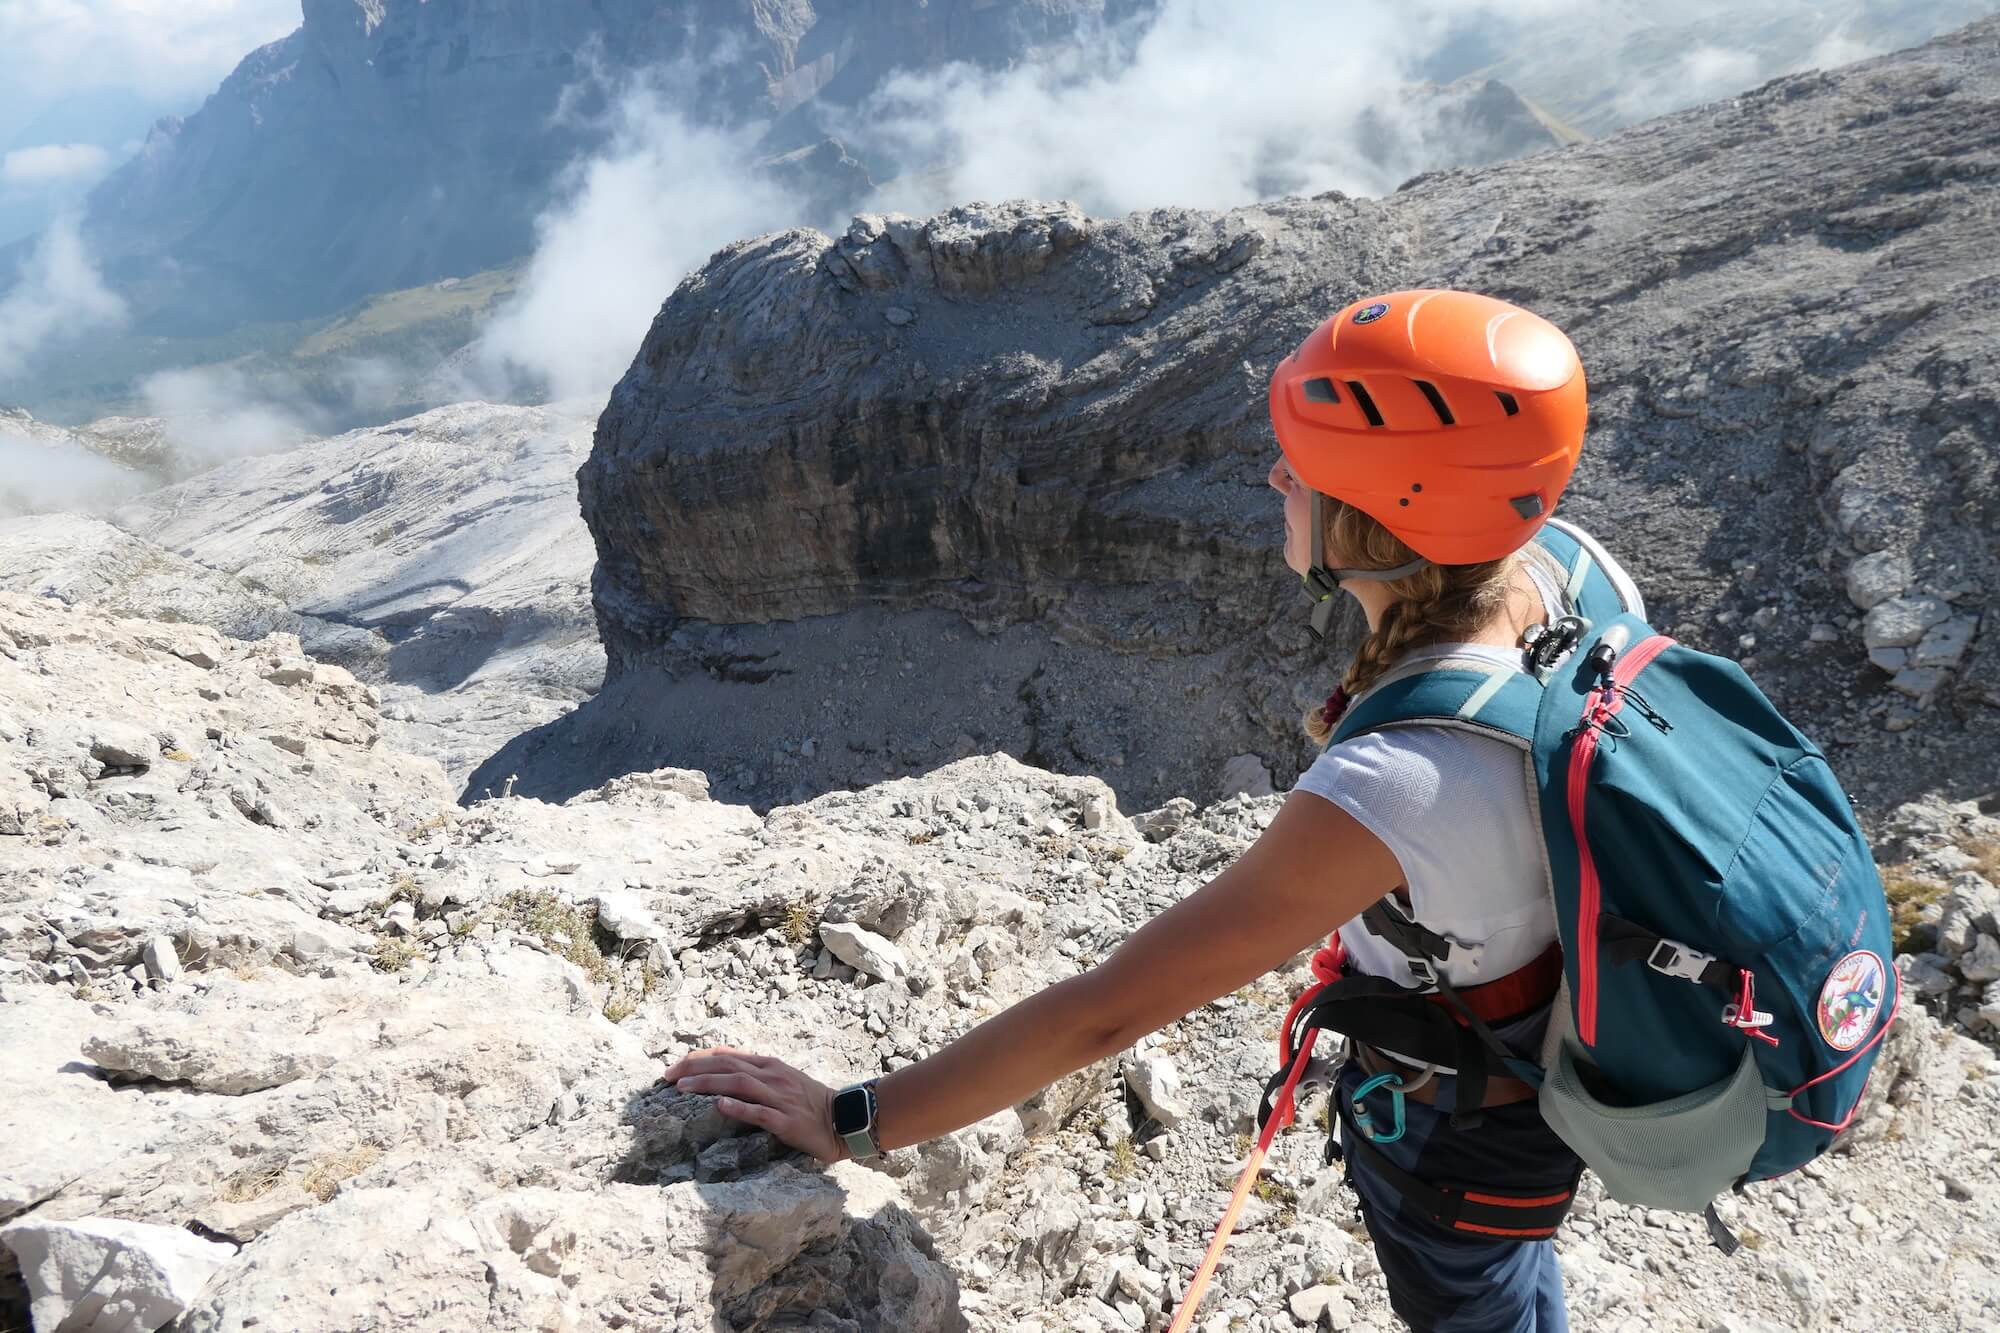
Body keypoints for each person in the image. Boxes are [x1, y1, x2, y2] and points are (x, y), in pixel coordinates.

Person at [662, 289, 1630, 1332]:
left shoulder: (1398, 784)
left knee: (1471, 1296)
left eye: (1300, 463)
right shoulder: (1570, 569)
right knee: (1507, 1275)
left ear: (1380, 504)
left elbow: (1108, 1011)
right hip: (1550, 1062)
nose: (1272, 476)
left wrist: (852, 1120)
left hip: (1457, 1137)